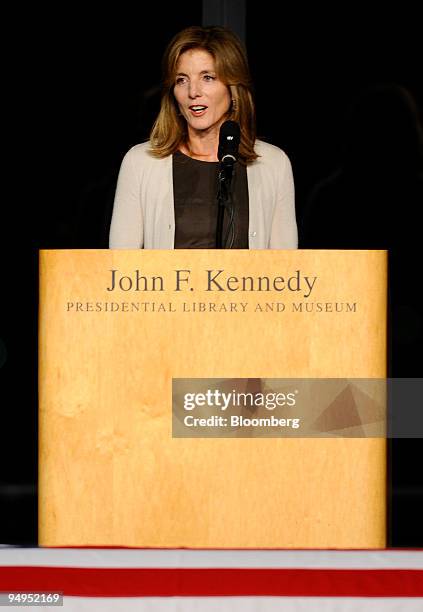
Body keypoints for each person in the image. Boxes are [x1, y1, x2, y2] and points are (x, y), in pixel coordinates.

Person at [109, 25, 298, 249]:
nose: (193, 92)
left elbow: (285, 272)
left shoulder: (273, 164)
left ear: (232, 87)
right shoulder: (140, 162)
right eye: (182, 80)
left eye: (207, 77)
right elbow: (121, 271)